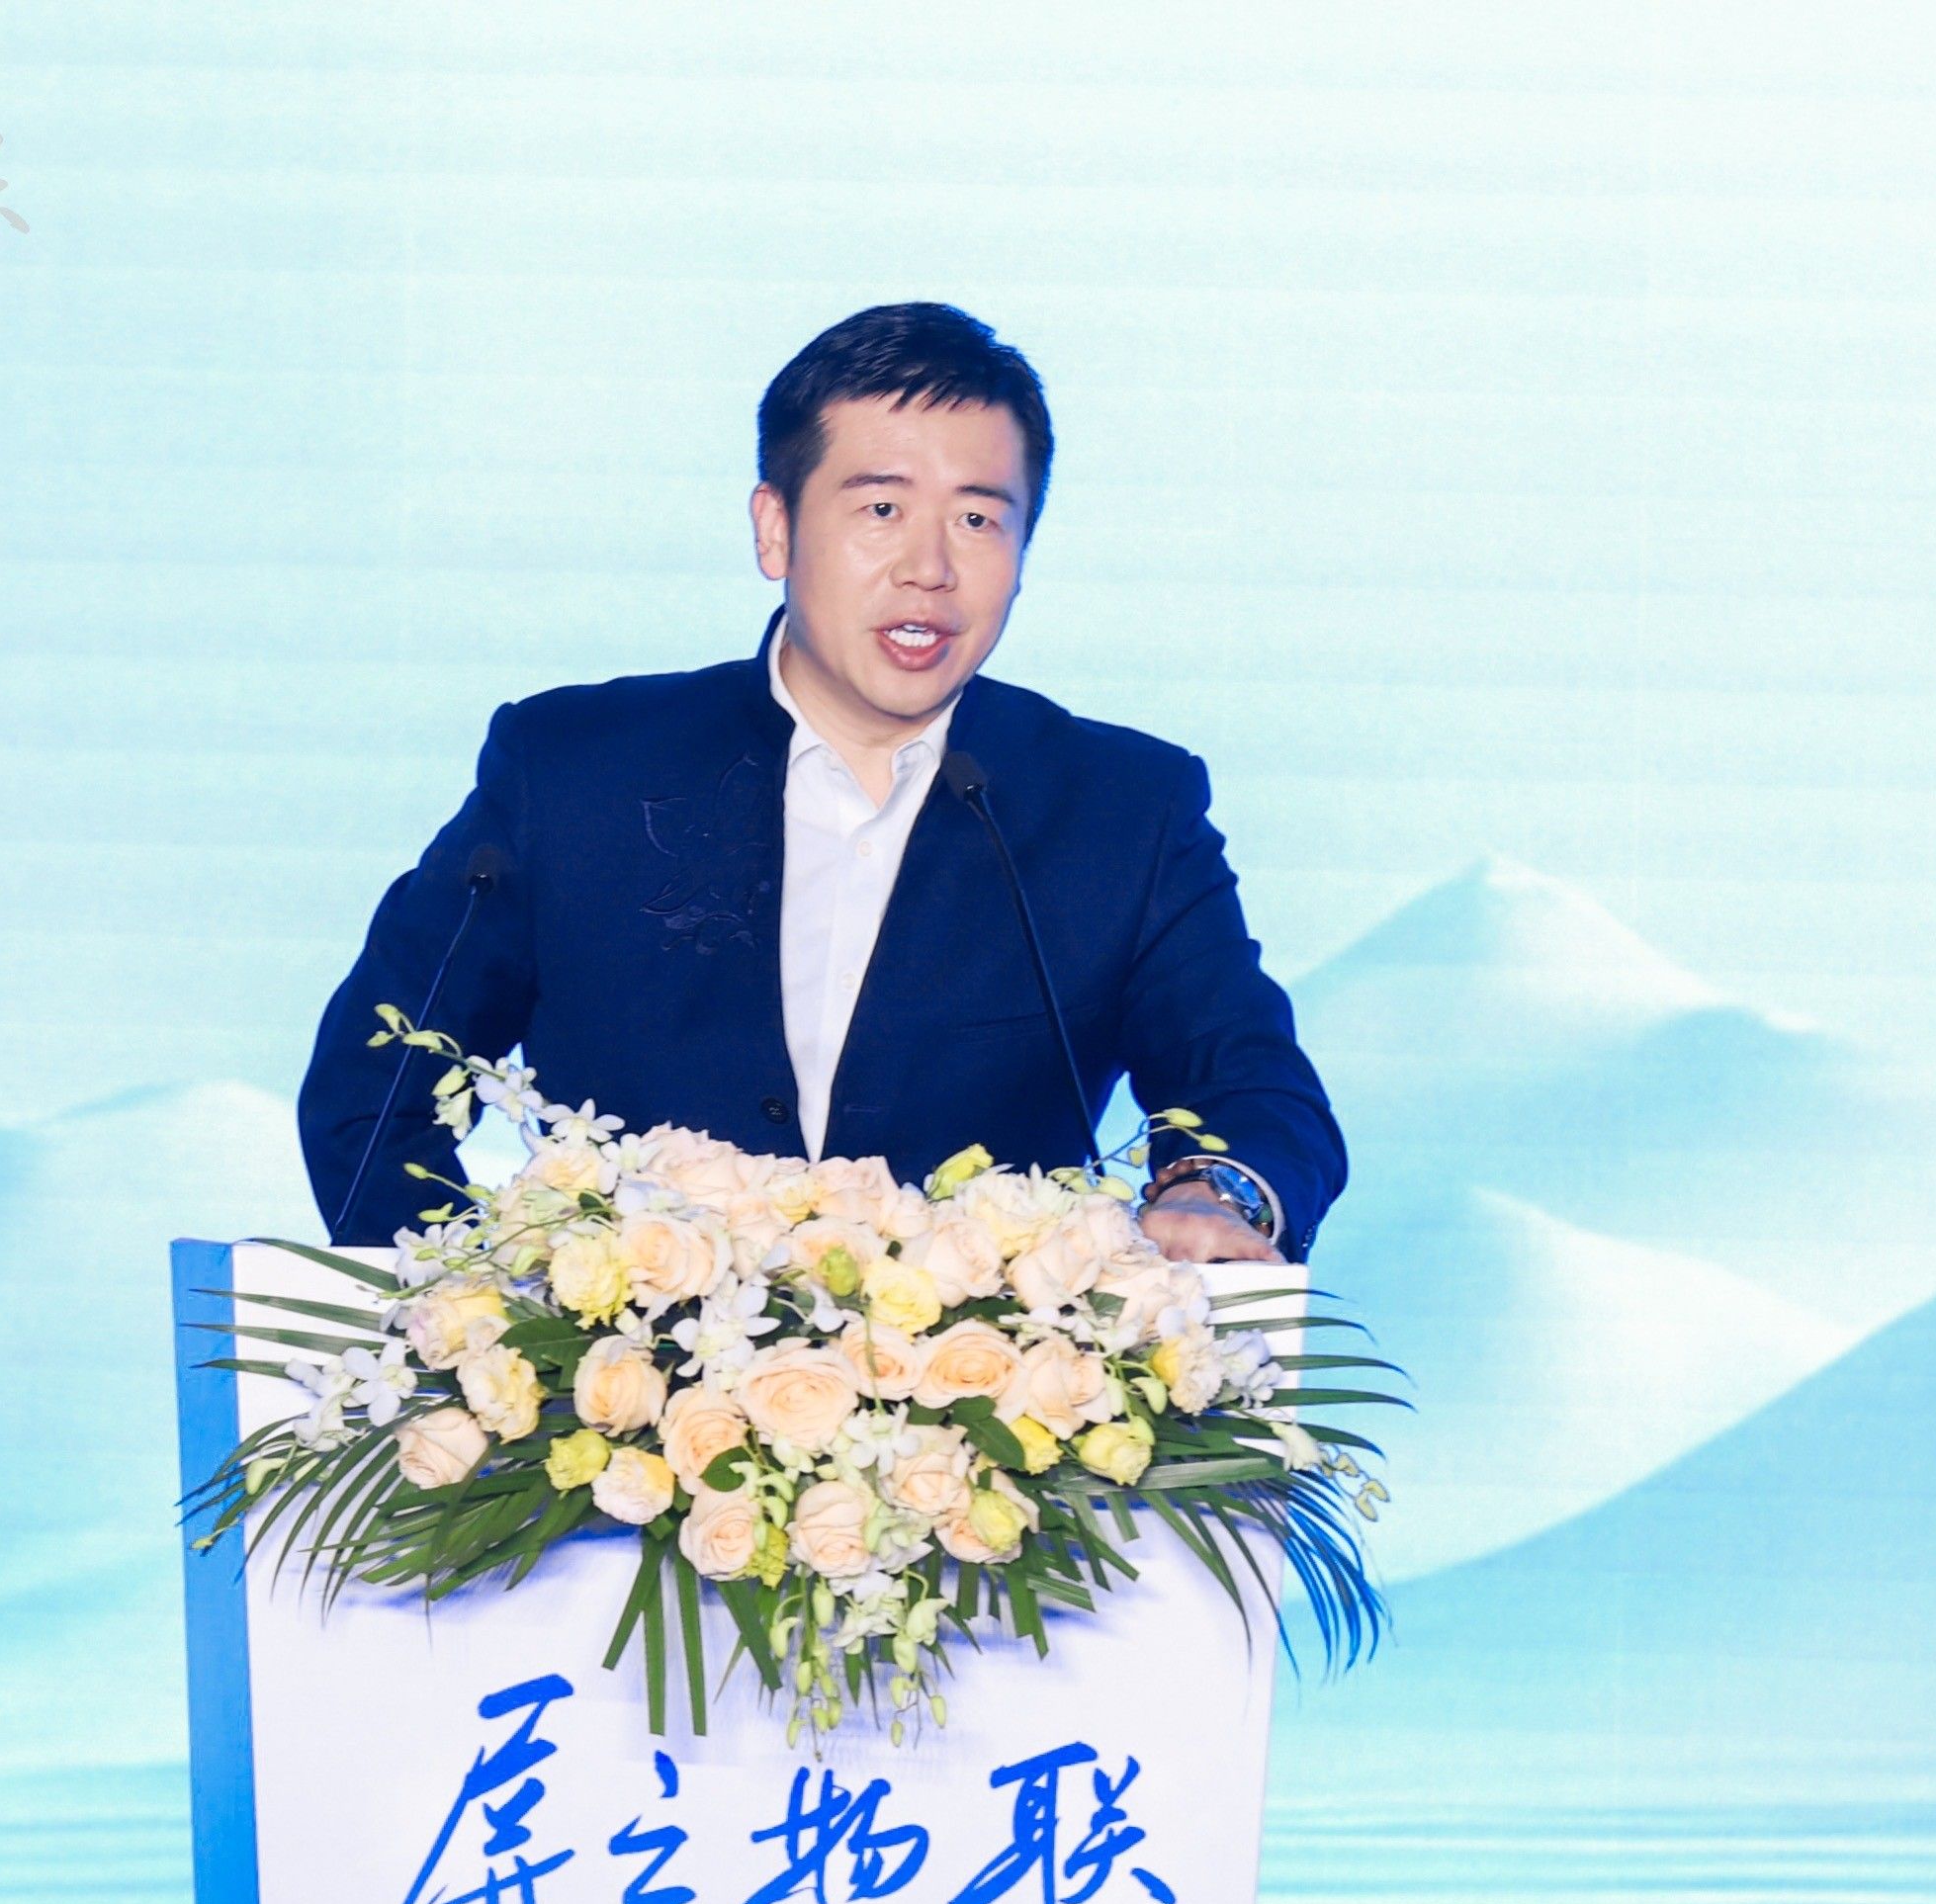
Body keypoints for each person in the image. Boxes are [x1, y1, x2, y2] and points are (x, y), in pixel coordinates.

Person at [299, 302, 1346, 1265]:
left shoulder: (1122, 810)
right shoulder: (573, 771)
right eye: (882, 508)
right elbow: (373, 1089)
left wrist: (1220, 1193)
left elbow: (1253, 1092)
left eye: (979, 520)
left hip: (979, 1404)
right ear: (776, 527)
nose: (930, 567)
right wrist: (495, 1319)